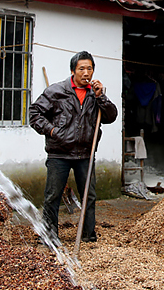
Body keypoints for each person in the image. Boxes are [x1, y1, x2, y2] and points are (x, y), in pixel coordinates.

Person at [30, 51, 118, 243]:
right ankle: (50, 236)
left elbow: (111, 117)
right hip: (59, 153)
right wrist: (52, 131)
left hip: (85, 154)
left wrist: (101, 97)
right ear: (73, 71)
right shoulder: (56, 91)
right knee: (52, 195)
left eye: (90, 68)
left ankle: (88, 235)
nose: (86, 73)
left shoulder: (95, 94)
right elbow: (34, 114)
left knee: (89, 195)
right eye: (82, 69)